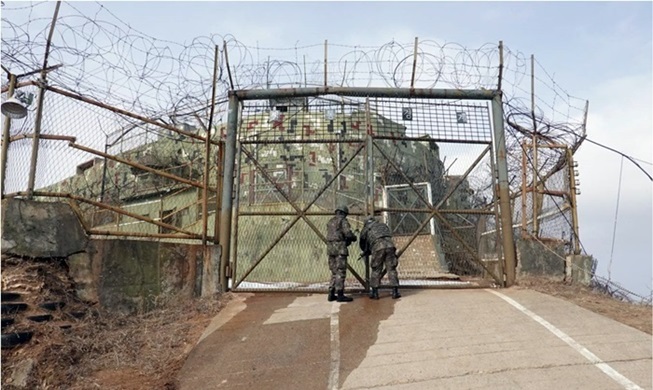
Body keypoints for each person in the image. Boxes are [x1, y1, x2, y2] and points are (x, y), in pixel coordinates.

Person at [359, 216, 401, 300]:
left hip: (378, 247)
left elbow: (362, 243)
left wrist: (366, 251)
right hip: (390, 246)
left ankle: (375, 293)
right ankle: (395, 291)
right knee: (391, 269)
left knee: (376, 270)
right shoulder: (383, 225)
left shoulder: (366, 229)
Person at [326, 205, 357, 302]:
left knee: (334, 271)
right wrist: (353, 237)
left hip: (330, 248)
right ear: (344, 213)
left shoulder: (330, 221)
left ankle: (331, 293)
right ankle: (340, 294)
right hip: (340, 248)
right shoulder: (343, 221)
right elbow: (347, 233)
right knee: (341, 271)